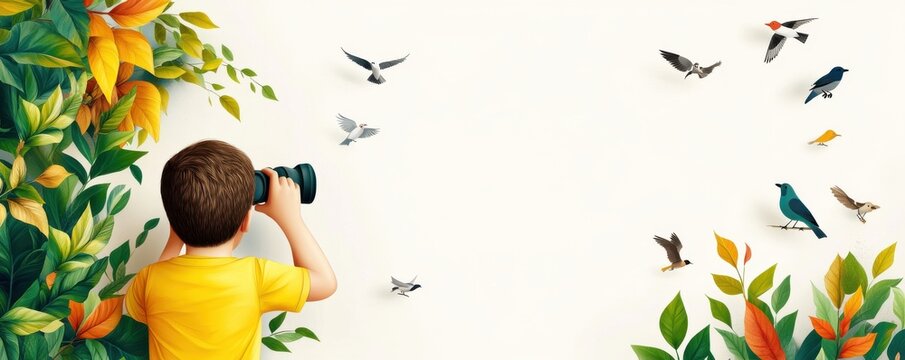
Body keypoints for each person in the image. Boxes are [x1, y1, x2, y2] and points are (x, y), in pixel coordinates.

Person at [125, 140, 336, 359]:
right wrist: (291, 219)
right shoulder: (255, 276)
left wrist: (175, 236)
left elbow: (142, 309)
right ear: (245, 221)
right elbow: (325, 282)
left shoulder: (149, 279)